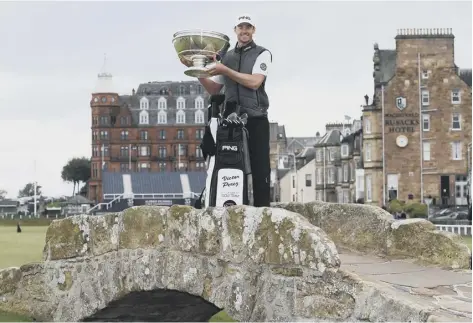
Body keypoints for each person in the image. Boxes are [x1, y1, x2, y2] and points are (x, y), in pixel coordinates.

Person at [181, 14, 272, 207]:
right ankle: (226, 204)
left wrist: (225, 70)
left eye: (248, 27)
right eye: (241, 27)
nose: (244, 30)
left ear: (253, 30)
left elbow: (255, 82)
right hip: (231, 121)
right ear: (235, 30)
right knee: (228, 165)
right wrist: (197, 70)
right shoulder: (227, 57)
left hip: (255, 119)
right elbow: (214, 88)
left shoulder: (262, 54)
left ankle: (263, 212)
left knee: (259, 169)